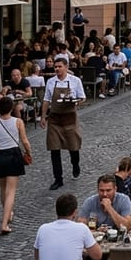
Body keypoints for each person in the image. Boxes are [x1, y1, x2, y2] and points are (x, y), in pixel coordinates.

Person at [41, 58, 86, 191]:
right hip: (54, 119)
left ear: (66, 67)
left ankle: (75, 164)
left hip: (69, 118)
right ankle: (58, 179)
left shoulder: (75, 81)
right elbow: (46, 100)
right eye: (55, 67)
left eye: (59, 66)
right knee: (54, 149)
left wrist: (75, 102)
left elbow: (82, 97)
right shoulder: (51, 82)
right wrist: (43, 116)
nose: (57, 69)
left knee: (74, 146)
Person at [0, 97, 30, 235]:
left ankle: (8, 213)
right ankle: (4, 223)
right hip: (13, 155)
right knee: (11, 191)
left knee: (2, 188)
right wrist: (29, 153)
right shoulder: (18, 122)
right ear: (11, 108)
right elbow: (24, 141)